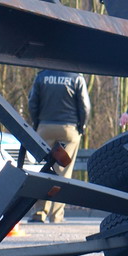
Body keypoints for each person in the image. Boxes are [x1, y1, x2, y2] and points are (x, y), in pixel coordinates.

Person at [27, 69, 90, 223]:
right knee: (63, 173)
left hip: (45, 127)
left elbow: (32, 102)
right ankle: (56, 216)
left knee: (42, 171)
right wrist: (82, 126)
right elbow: (85, 106)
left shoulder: (42, 76)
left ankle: (39, 212)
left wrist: (37, 123)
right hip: (69, 129)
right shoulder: (76, 77)